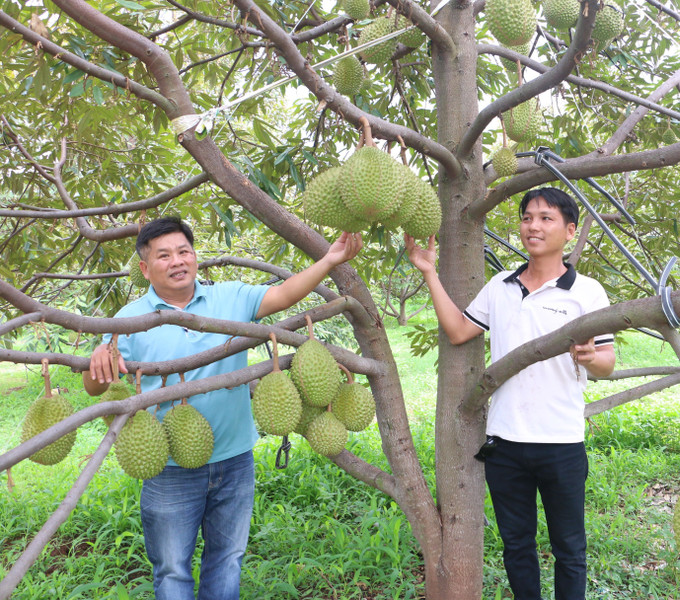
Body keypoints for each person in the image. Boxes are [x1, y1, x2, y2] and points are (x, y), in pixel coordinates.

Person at [83, 216, 362, 600]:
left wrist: (329, 260)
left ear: (195, 257)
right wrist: (101, 353)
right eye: (164, 255)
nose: (177, 261)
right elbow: (95, 386)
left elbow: (283, 295)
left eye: (184, 251)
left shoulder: (229, 298)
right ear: (145, 269)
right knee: (172, 569)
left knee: (228, 558)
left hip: (234, 459)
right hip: (168, 470)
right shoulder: (127, 321)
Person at [405, 187, 616, 600]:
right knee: (516, 546)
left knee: (569, 549)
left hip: (561, 442)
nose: (533, 226)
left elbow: (608, 362)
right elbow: (459, 330)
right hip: (505, 443)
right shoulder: (500, 286)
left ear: (569, 231)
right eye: (527, 217)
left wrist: (591, 356)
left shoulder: (586, 292)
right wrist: (429, 272)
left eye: (546, 218)